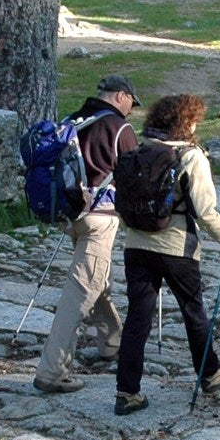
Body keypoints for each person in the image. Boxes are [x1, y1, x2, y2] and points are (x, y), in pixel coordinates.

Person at [114, 93, 220, 416]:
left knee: (137, 318)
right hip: (176, 248)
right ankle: (210, 373)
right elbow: (204, 210)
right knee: (193, 311)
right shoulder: (191, 156)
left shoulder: (140, 151)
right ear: (187, 122)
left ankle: (126, 392)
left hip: (136, 244)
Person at [33, 74, 142, 394]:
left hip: (69, 216)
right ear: (121, 96)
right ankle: (52, 370)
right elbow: (133, 180)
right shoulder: (120, 129)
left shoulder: (73, 119)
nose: (132, 110)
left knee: (96, 277)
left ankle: (112, 342)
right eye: (131, 103)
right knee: (80, 292)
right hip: (100, 218)